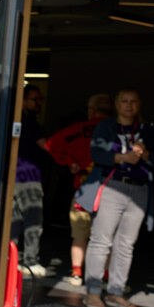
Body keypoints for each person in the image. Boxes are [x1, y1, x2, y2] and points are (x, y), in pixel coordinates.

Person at [81, 88, 154, 307]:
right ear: (116, 104)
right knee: (101, 240)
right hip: (113, 186)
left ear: (139, 104)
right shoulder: (106, 126)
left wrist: (145, 153)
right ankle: (93, 292)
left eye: (133, 101)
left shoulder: (148, 130)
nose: (128, 105)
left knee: (126, 244)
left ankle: (116, 292)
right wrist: (122, 158)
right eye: (124, 101)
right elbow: (96, 154)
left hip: (139, 190)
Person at [45, 93, 113, 286]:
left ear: (91, 110)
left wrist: (70, 161)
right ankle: (105, 276)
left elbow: (51, 145)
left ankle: (76, 274)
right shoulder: (118, 131)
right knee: (107, 237)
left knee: (79, 234)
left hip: (84, 189)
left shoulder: (78, 129)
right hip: (112, 191)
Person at [13, 84, 53, 277]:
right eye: (34, 99)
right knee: (32, 220)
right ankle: (30, 261)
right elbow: (47, 146)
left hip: (16, 178)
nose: (38, 103)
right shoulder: (29, 123)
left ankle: (13, 260)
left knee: (16, 221)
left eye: (40, 99)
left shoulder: (18, 120)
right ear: (23, 100)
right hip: (28, 178)